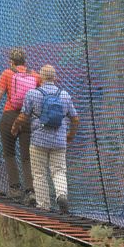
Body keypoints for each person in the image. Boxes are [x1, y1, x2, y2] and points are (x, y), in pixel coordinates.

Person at [11, 65, 79, 214]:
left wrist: (15, 126)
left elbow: (23, 116)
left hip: (38, 141)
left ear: (40, 78)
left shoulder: (32, 94)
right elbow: (75, 118)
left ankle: (43, 206)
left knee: (40, 173)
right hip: (59, 141)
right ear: (55, 78)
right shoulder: (65, 95)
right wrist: (71, 134)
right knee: (59, 171)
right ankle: (61, 195)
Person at [0, 48, 39, 204]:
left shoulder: (7, 73)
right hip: (27, 118)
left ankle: (15, 189)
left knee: (9, 154)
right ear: (25, 61)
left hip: (9, 116)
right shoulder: (35, 75)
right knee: (27, 156)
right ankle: (31, 192)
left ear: (11, 61)